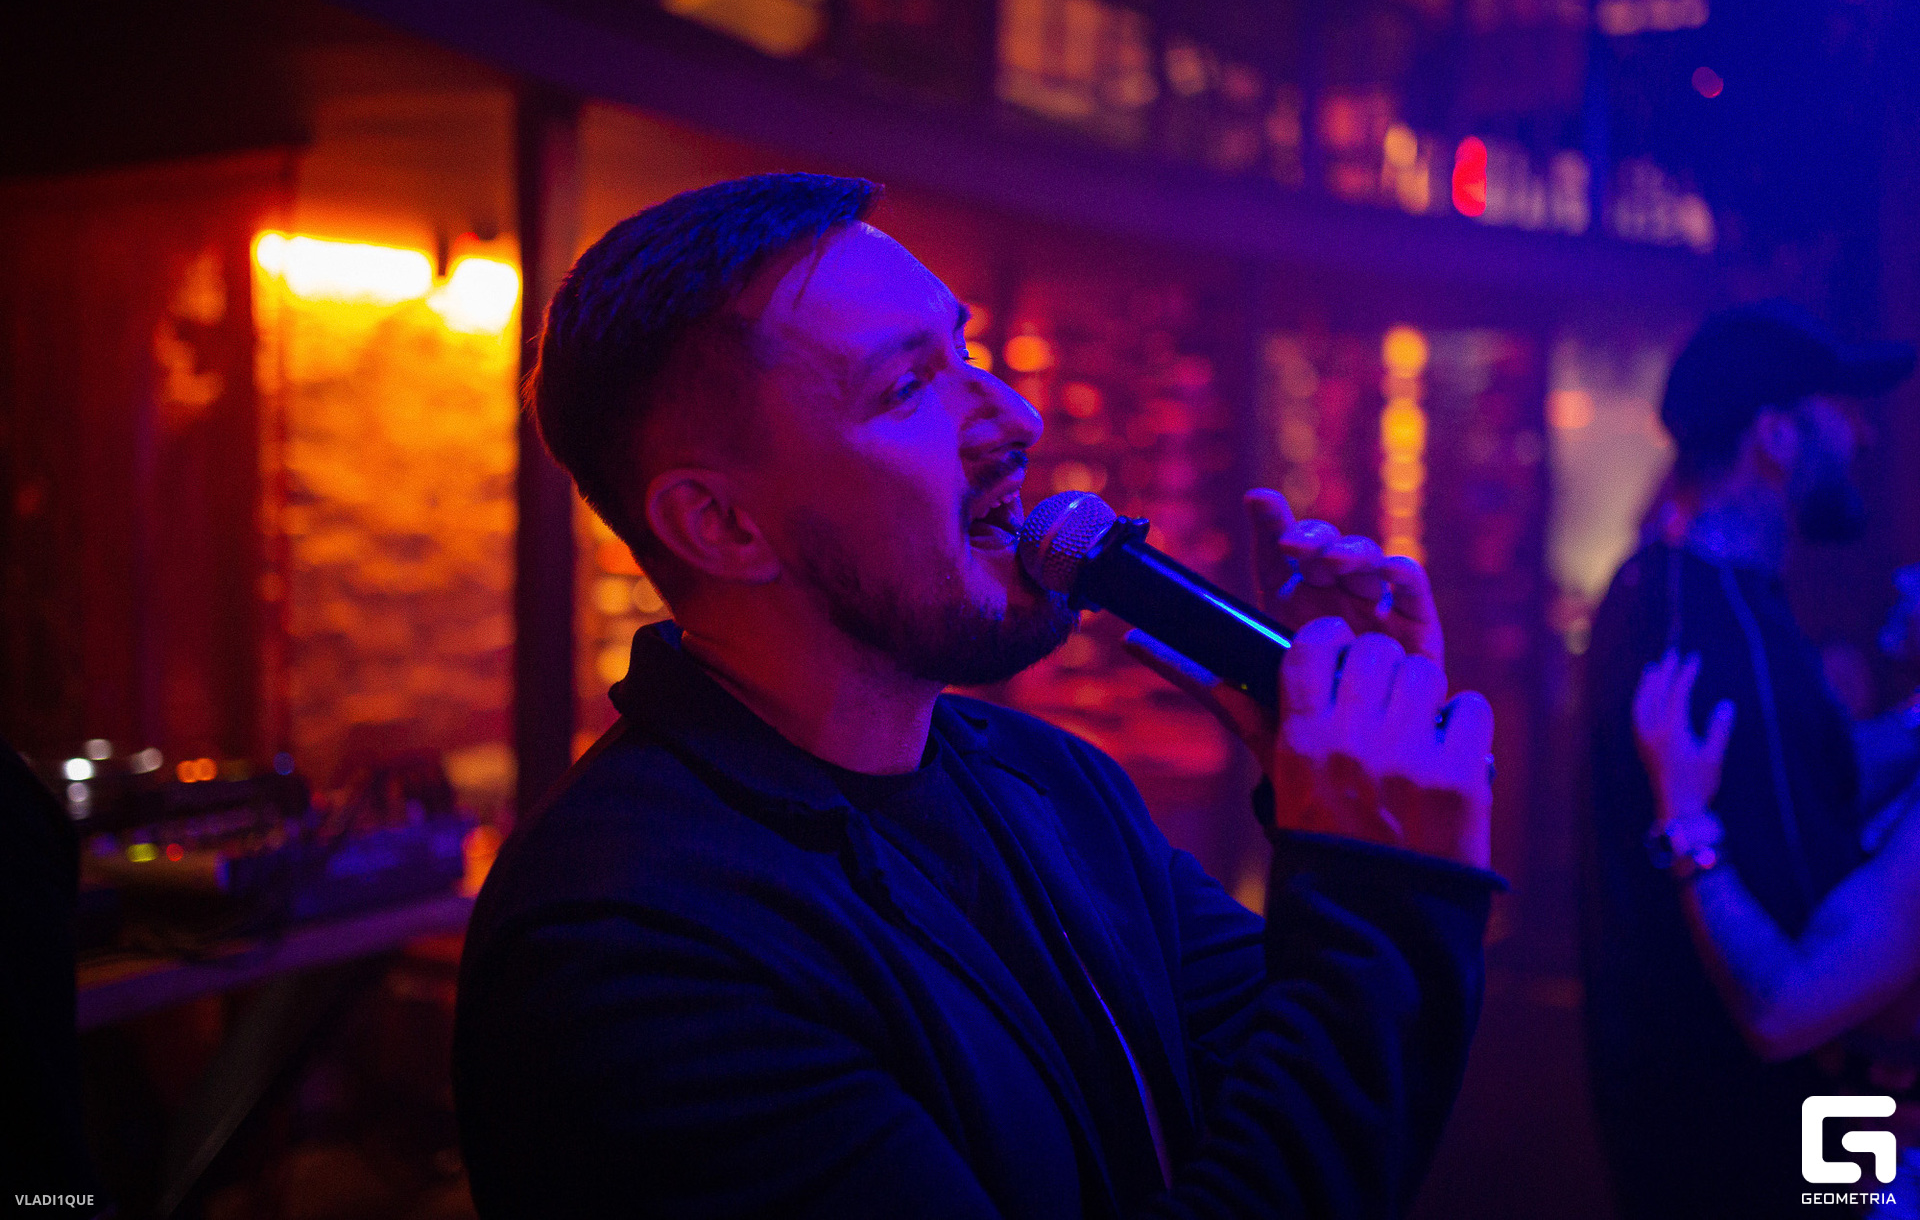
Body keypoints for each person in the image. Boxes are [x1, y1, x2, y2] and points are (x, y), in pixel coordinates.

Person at [453, 173, 1502, 1218]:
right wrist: (1374, 886)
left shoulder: (1053, 782)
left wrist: (1365, 785)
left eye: (966, 351)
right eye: (908, 387)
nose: (1016, 415)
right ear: (722, 525)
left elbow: (1299, 1094)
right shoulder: (632, 945)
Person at [1580, 300, 1916, 1217]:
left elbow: (1813, 786)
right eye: (1842, 412)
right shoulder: (1715, 636)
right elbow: (1799, 989)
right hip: (1750, 1148)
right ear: (1775, 435)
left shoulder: (1681, 594)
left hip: (1721, 1137)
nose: (1863, 437)